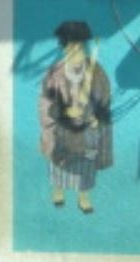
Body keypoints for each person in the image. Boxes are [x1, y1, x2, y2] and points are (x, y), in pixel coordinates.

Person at [38, 20, 113, 213]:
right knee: (60, 162)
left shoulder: (96, 71)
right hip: (63, 128)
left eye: (79, 46)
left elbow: (104, 96)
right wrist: (61, 113)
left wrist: (97, 116)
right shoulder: (56, 72)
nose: (76, 50)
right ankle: (58, 191)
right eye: (71, 46)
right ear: (64, 47)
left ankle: (83, 197)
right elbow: (46, 101)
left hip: (86, 128)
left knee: (85, 165)